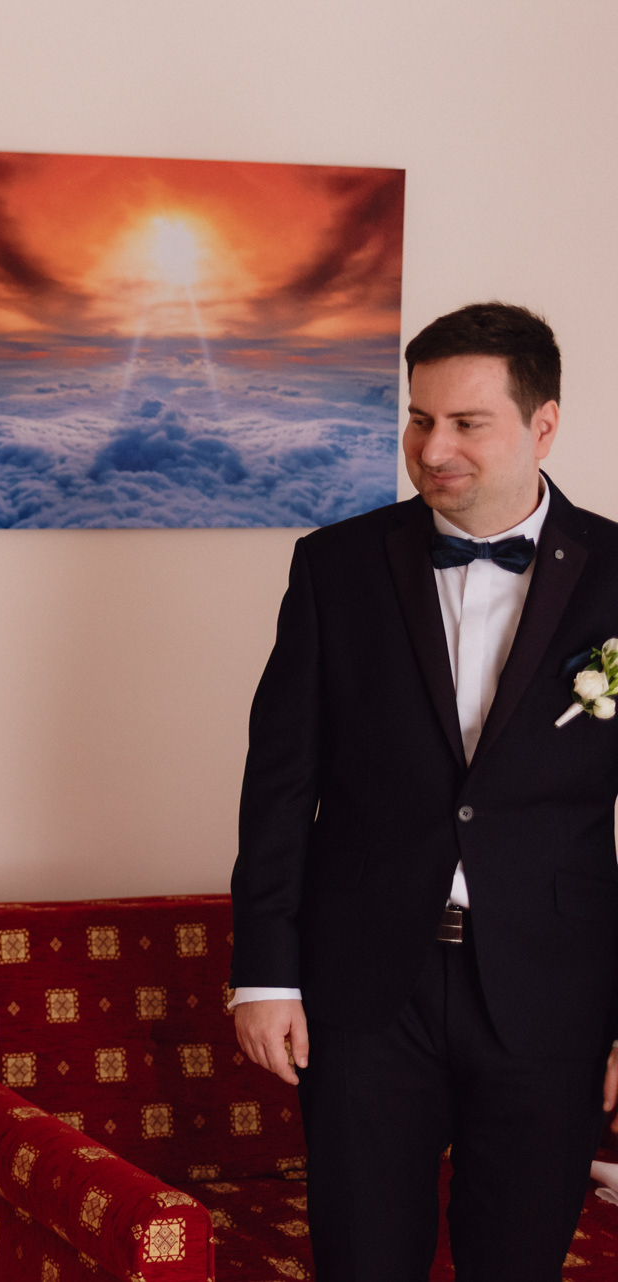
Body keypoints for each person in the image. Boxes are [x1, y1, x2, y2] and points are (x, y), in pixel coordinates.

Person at [230, 303, 618, 1278]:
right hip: (364, 989)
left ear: (543, 425)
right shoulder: (335, 564)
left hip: (554, 994)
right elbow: (280, 783)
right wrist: (266, 974)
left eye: (466, 422)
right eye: (418, 418)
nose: (431, 447)